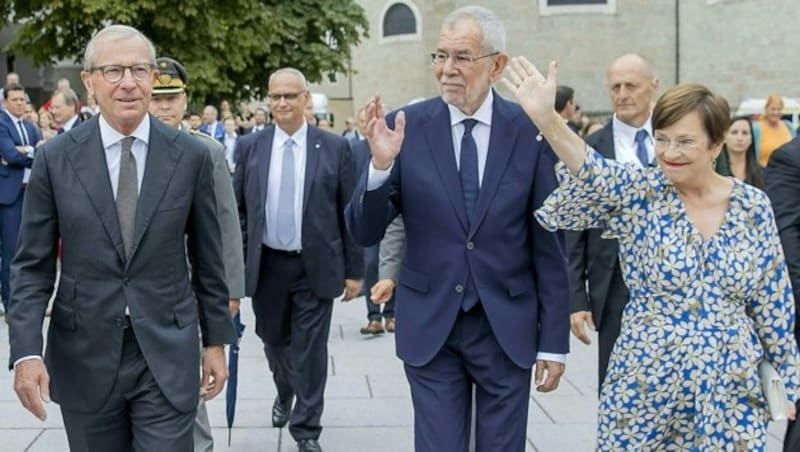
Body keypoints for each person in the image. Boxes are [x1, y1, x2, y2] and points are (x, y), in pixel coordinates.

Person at [505, 56, 800, 449]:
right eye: (662, 138)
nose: (669, 152)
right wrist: (549, 120)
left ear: (716, 145)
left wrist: (789, 379)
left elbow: (773, 302)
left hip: (729, 390)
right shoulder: (641, 192)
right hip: (646, 385)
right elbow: (592, 169)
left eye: (685, 141)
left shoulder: (752, 207)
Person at [345, 6, 570, 451]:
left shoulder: (529, 131)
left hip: (507, 326)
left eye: (462, 57)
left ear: (497, 65)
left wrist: (554, 343)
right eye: (440, 56)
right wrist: (379, 166)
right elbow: (364, 231)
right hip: (431, 326)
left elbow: (550, 242)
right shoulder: (406, 129)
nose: (447, 69)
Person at [8, 25, 237, 452]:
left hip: (166, 352)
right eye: (113, 71)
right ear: (88, 81)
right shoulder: (54, 159)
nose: (128, 83)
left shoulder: (190, 157)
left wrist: (217, 342)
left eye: (139, 70)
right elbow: (31, 266)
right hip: (84, 354)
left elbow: (208, 261)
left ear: (152, 77)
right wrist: (25, 352)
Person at [233, 67, 362, 452]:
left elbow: (349, 212)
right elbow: (239, 210)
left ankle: (306, 429)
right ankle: (285, 389)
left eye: (290, 95)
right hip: (268, 265)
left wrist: (355, 271)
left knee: (309, 349)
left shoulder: (335, 148)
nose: (282, 103)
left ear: (306, 98)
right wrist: (237, 266)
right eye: (275, 97)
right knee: (272, 341)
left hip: (315, 267)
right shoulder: (250, 147)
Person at [149, 56, 246, 452]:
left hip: (191, 285)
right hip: (146, 285)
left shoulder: (204, 151)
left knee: (190, 382)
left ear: (185, 99)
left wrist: (232, 290)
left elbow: (226, 222)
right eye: (158, 98)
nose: (165, 106)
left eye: (172, 98)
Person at [567, 53, 659, 388]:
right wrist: (576, 299)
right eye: (615, 87)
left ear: (653, 86)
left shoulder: (676, 141)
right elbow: (574, 228)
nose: (622, 94)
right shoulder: (590, 148)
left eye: (631, 85)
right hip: (615, 285)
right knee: (618, 386)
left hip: (675, 284)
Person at [0, 83, 38, 318]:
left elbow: (44, 152)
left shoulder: (30, 127)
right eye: (15, 100)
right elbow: (11, 155)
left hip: (30, 193)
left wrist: (28, 150)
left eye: (22, 100)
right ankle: (10, 301)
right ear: (5, 102)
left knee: (29, 249)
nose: (20, 104)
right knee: (11, 250)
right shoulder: (2, 124)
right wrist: (27, 152)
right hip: (10, 197)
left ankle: (24, 298)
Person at [716, 115, 764, 188]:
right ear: (724, 138)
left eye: (745, 133)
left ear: (751, 139)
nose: (740, 138)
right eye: (734, 132)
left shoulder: (762, 173)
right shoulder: (715, 171)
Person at [755, 94, 796, 167]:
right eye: (773, 109)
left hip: (788, 172)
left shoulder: (789, 126)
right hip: (764, 172)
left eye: (779, 109)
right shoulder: (757, 128)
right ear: (766, 109)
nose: (776, 112)